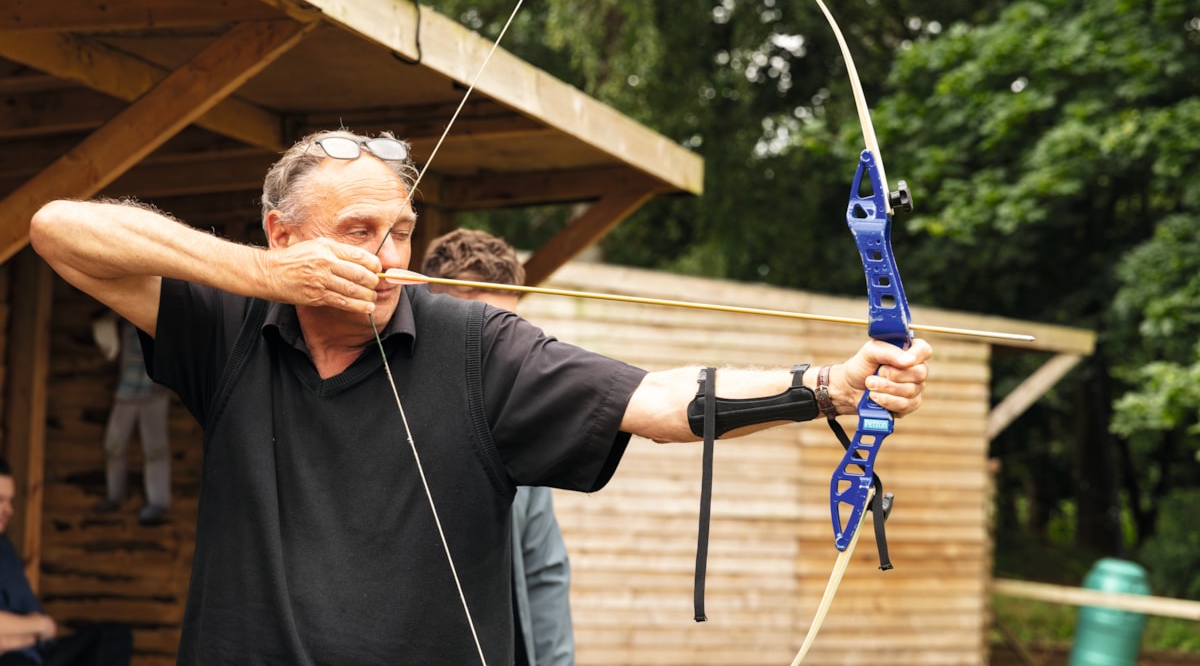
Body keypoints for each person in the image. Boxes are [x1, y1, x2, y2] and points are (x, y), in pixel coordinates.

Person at [27, 129, 931, 665]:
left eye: (401, 231)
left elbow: (654, 401)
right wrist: (263, 275)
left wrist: (828, 387)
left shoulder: (476, 346)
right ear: (284, 233)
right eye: (357, 233)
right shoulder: (230, 327)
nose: (387, 259)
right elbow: (58, 230)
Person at [422, 228, 574, 666]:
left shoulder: (517, 434)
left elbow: (543, 573)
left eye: (506, 330)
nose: (493, 349)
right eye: (475, 327)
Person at [0, 459, 132, 666]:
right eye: (0, 500)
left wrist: (21, 634)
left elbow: (46, 625)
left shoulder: (5, 549)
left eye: (10, 500)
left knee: (114, 637)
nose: (9, 509)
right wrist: (34, 627)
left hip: (35, 650)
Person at [90, 314, 172, 525]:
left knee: (155, 449)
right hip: (126, 390)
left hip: (154, 391)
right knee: (114, 446)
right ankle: (114, 496)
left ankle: (158, 501)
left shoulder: (161, 315)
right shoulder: (123, 317)